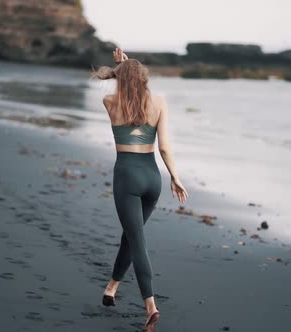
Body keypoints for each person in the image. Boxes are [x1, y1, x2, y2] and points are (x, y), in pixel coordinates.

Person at [91, 48, 189, 331]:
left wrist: (121, 68)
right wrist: (175, 177)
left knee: (137, 241)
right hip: (153, 180)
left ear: (120, 78)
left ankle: (150, 306)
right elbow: (165, 147)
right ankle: (112, 287)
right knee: (132, 235)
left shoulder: (109, 101)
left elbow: (125, 90)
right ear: (144, 78)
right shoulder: (159, 102)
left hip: (127, 178)